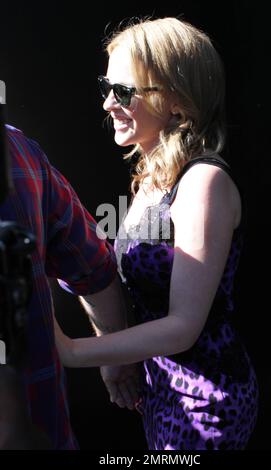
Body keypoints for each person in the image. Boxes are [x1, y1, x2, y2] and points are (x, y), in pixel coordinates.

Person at [55, 17, 259, 450]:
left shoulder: (204, 182)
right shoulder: (153, 179)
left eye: (124, 91)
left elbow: (182, 327)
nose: (108, 103)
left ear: (178, 104)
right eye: (106, 87)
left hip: (206, 403)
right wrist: (117, 361)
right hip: (162, 391)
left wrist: (71, 351)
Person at [0, 123, 139, 449]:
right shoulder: (17, 148)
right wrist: (113, 353)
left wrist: (108, 351)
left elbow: (92, 266)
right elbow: (93, 266)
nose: (108, 104)